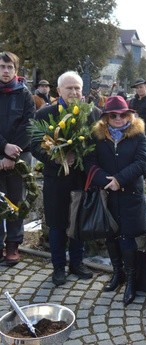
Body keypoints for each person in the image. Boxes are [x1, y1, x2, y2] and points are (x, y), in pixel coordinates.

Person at [31, 70, 100, 286]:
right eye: (68, 88)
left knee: (78, 223)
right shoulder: (44, 114)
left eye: (77, 88)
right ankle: (58, 266)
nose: (73, 91)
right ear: (58, 90)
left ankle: (77, 263)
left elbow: (99, 146)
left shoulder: (94, 114)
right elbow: (35, 146)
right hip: (56, 179)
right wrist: (59, 157)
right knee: (58, 224)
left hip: (81, 179)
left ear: (83, 91)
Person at [84, 95, 146, 306]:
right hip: (108, 195)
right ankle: (117, 273)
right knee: (111, 235)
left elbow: (142, 163)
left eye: (123, 114)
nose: (119, 119)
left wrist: (119, 180)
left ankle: (131, 280)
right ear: (106, 118)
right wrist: (106, 181)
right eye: (114, 115)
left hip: (129, 194)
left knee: (127, 237)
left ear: (129, 114)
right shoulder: (98, 137)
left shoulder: (138, 135)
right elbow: (90, 163)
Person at [0, 51, 35, 266]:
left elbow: (28, 125)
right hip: (1, 152)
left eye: (9, 67)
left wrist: (13, 153)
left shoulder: (24, 94)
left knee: (16, 200)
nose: (5, 71)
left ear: (16, 70)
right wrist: (4, 147)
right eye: (2, 67)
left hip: (19, 156)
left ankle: (13, 244)